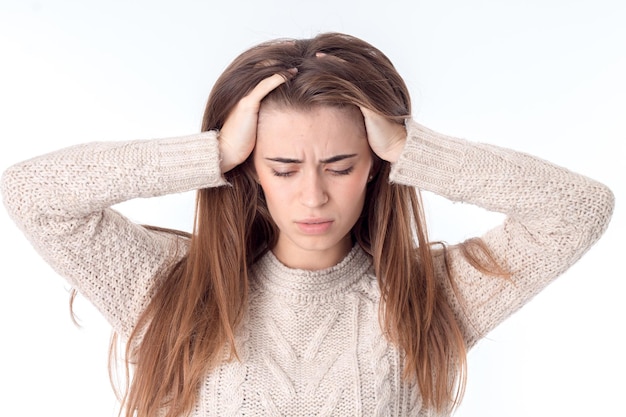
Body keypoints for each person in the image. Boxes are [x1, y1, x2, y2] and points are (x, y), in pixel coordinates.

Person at [0, 32, 614, 417]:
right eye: (285, 167)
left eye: (341, 165)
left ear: (375, 168)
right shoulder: (172, 291)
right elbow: (31, 193)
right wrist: (207, 153)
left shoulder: (427, 297)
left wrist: (413, 148)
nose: (314, 195)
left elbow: (577, 209)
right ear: (251, 169)